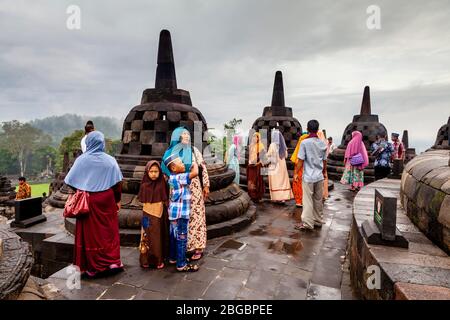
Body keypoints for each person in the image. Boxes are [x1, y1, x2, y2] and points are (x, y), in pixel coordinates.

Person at [64, 131, 124, 278]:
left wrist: (83, 185)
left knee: (90, 234)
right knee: (108, 232)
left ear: (89, 143)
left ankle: (91, 266)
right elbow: (118, 183)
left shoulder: (81, 160)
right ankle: (112, 262)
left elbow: (69, 180)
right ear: (102, 143)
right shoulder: (110, 160)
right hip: (107, 200)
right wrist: (117, 200)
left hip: (88, 201)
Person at [162, 127, 210, 261]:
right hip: (177, 190)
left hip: (194, 188)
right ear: (176, 137)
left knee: (196, 216)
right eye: (183, 134)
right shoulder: (170, 153)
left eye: (188, 134)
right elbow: (165, 175)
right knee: (180, 219)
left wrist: (206, 185)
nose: (186, 136)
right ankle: (182, 249)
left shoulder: (194, 151)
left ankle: (198, 247)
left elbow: (202, 167)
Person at [163, 153, 199, 272]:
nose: (184, 164)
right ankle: (181, 264)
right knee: (182, 237)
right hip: (181, 213)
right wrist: (194, 164)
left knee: (173, 236)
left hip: (173, 214)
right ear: (173, 168)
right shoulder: (180, 177)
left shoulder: (172, 178)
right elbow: (195, 173)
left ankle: (174, 258)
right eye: (181, 163)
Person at [294, 120, 327, 231]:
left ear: (307, 129)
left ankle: (308, 223)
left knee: (307, 200)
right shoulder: (322, 143)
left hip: (308, 177)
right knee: (318, 200)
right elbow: (325, 161)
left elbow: (300, 161)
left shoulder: (305, 143)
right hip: (319, 176)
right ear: (318, 130)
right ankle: (318, 220)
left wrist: (295, 173)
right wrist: (324, 172)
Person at [138, 160, 170, 269]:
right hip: (147, 214)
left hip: (159, 213)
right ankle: (145, 259)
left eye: (156, 171)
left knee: (157, 236)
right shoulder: (144, 185)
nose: (153, 174)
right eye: (151, 171)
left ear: (159, 172)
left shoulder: (162, 183)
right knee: (146, 235)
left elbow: (166, 198)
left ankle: (158, 260)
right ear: (147, 172)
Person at [267, 129, 293, 203]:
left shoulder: (272, 145)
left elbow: (269, 155)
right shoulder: (283, 146)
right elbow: (286, 156)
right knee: (282, 181)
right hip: (282, 164)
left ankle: (277, 197)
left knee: (275, 181)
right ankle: (283, 198)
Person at [291, 132, 309, 207]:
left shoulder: (301, 148)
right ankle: (299, 200)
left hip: (303, 170)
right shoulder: (302, 149)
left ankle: (300, 200)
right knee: (298, 183)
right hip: (301, 170)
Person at [247, 132, 266, 203]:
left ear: (259, 138)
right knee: (251, 180)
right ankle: (252, 195)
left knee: (257, 180)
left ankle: (258, 196)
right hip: (251, 166)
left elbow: (263, 157)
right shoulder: (251, 146)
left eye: (257, 137)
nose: (255, 138)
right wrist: (250, 162)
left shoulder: (261, 146)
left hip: (257, 166)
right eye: (254, 137)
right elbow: (249, 156)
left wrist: (257, 163)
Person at [317, 130, 329, 200]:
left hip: (317, 164)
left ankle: (320, 195)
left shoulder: (315, 143)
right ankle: (324, 194)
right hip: (323, 163)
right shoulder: (324, 143)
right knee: (324, 179)